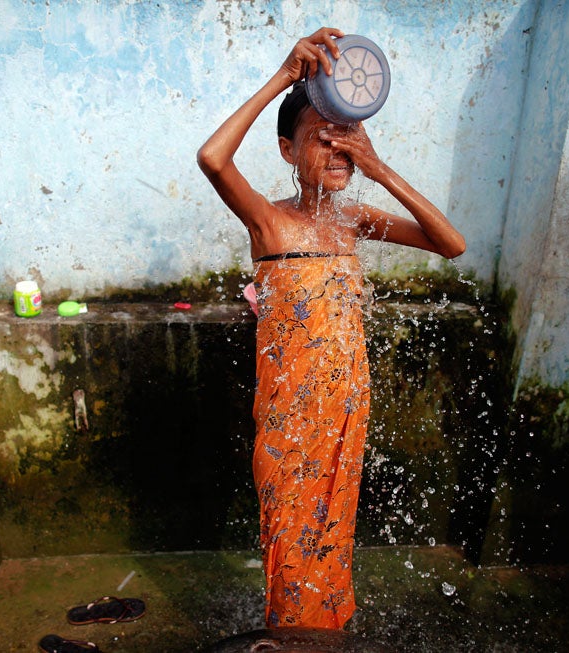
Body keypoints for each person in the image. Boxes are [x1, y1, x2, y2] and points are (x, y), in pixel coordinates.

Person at [197, 27, 465, 630]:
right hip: (291, 421)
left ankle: (321, 635)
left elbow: (451, 244)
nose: (340, 156)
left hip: (346, 410)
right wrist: (285, 77)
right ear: (289, 151)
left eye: (350, 146)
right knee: (291, 549)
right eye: (325, 142)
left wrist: (379, 166)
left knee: (333, 543)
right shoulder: (269, 224)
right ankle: (294, 638)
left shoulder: (353, 222)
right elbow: (213, 158)